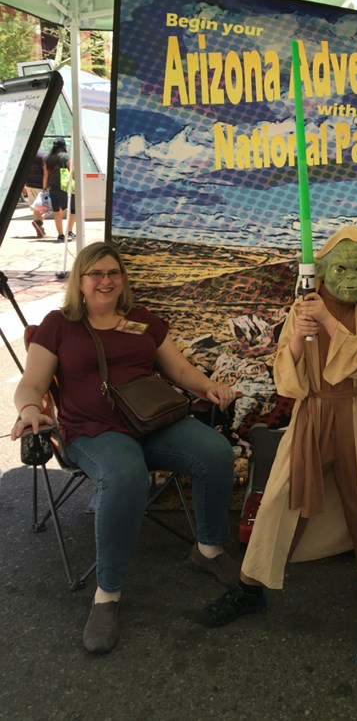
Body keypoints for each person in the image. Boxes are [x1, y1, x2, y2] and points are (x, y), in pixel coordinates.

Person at [12, 241, 239, 654]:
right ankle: (107, 595)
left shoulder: (142, 321)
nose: (105, 280)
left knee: (215, 452)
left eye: (113, 272)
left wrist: (209, 386)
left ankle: (208, 549)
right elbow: (32, 382)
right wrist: (29, 408)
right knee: (125, 475)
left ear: (123, 279)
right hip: (94, 432)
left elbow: (180, 369)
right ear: (80, 281)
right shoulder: (58, 324)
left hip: (153, 422)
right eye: (95, 273)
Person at [201, 226, 357, 627]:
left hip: (356, 411)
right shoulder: (301, 310)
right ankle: (249, 586)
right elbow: (285, 374)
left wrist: (327, 321)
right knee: (279, 496)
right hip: (312, 412)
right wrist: (297, 340)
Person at [44, 138, 76, 242]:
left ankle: (60, 234)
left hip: (53, 186)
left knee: (57, 211)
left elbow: (46, 174)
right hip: (67, 185)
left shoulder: (47, 157)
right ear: (64, 146)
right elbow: (72, 171)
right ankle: (70, 231)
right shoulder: (66, 156)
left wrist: (44, 188)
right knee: (73, 209)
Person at [23, 149, 48, 237]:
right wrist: (45, 186)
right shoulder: (42, 155)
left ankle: (39, 230)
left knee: (36, 209)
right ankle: (38, 222)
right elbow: (45, 172)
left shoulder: (26, 155)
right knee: (48, 209)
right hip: (41, 185)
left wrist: (23, 185)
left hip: (30, 185)